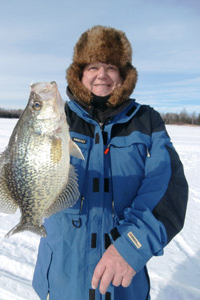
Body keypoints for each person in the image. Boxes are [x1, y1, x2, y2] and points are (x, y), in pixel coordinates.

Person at [32, 25, 188, 300]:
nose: (101, 75)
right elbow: (29, 169)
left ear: (123, 75)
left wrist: (132, 246)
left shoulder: (147, 121)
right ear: (79, 73)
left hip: (123, 283)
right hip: (62, 281)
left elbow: (168, 185)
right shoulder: (58, 118)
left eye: (111, 67)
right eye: (92, 66)